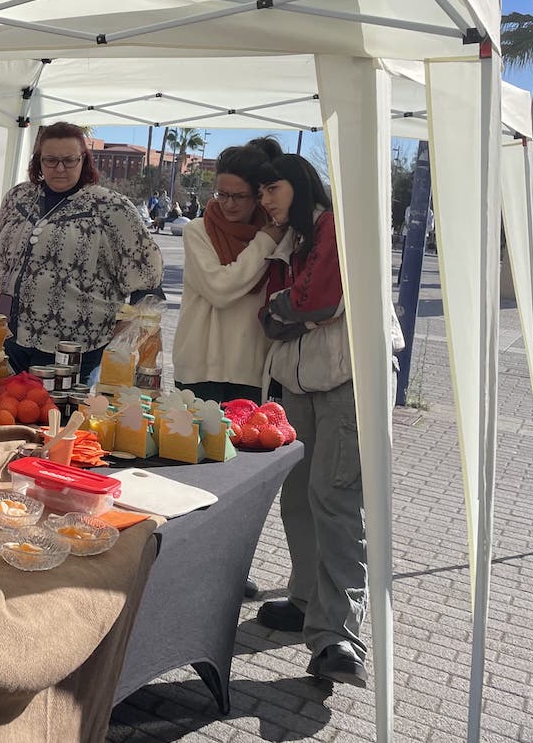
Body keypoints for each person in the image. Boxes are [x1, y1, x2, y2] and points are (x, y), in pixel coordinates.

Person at [253, 153, 374, 688]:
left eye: (272, 188)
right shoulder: (293, 240)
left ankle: (339, 639)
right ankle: (305, 601)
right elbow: (271, 312)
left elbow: (318, 299)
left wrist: (292, 308)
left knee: (336, 503)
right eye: (260, 193)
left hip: (347, 385)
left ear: (299, 185)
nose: (265, 201)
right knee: (298, 496)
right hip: (300, 386)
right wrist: (291, 307)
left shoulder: (337, 227)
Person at [0, 121, 162, 382]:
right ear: (38, 161)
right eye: (50, 160)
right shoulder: (18, 197)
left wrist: (123, 337)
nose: (59, 168)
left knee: (56, 420)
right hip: (8, 338)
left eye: (69, 160)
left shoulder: (111, 207)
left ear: (84, 160)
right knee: (4, 414)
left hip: (73, 348)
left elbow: (148, 281)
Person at [173, 138, 284, 405]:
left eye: (239, 196)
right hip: (199, 370)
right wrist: (264, 243)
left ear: (258, 196)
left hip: (249, 371)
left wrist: (267, 238)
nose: (229, 204)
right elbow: (220, 289)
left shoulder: (276, 231)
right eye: (222, 194)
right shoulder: (198, 230)